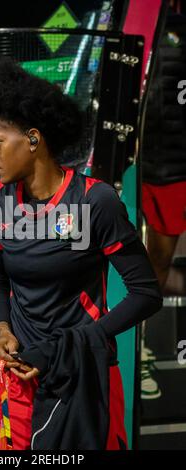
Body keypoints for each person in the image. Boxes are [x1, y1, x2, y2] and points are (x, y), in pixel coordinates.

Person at [0, 58, 163, 450]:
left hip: (82, 378)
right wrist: (4, 331)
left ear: (32, 139)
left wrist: (66, 347)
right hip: (18, 381)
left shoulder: (96, 201)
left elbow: (146, 294)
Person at [141, 1, 186, 400]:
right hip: (157, 171)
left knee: (154, 268)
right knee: (153, 268)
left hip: (166, 171)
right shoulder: (142, 21)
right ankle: (142, 354)